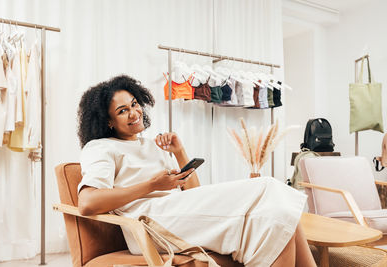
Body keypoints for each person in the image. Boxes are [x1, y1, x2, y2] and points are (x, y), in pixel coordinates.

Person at [77, 75, 316, 267]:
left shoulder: (153, 145)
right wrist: (151, 186)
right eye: (122, 111)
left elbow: (193, 193)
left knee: (279, 210)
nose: (134, 112)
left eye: (135, 104)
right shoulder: (100, 148)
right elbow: (87, 202)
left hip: (177, 213)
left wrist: (180, 152)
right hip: (149, 224)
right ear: (108, 121)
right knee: (269, 187)